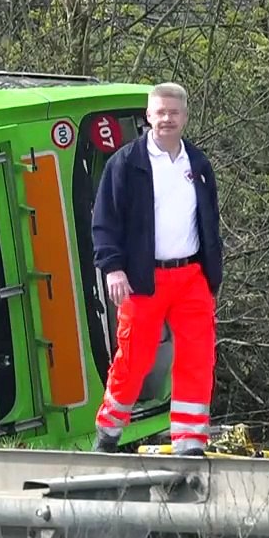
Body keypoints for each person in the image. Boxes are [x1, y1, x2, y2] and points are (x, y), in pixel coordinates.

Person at [89, 82, 224, 456]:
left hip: (192, 277)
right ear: (148, 116)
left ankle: (189, 445)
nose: (166, 119)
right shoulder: (125, 163)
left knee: (198, 356)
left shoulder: (198, 164)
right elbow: (104, 222)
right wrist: (113, 269)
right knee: (134, 358)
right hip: (142, 279)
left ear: (184, 116)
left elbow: (210, 220)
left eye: (173, 112)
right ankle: (108, 433)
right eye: (159, 112)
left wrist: (213, 272)